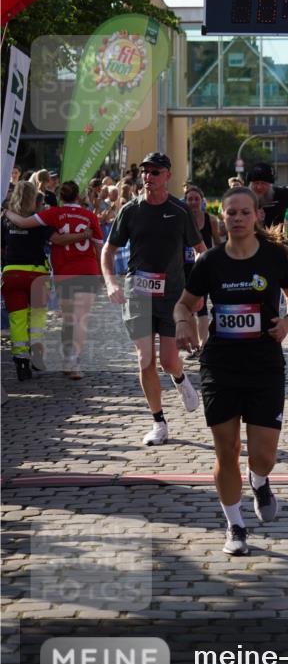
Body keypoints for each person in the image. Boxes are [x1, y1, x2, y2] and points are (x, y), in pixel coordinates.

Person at [174, 186, 288, 556]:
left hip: (264, 365)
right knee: (226, 450)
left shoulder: (276, 257)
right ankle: (235, 525)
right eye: (231, 212)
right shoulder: (210, 262)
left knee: (264, 454)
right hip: (221, 366)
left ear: (257, 216)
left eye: (245, 212)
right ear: (223, 217)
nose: (238, 218)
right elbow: (183, 306)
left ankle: (260, 480)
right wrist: (183, 323)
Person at [101, 152, 207, 446]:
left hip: (172, 294)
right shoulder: (131, 210)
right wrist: (111, 282)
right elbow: (108, 250)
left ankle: (181, 379)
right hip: (138, 292)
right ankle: (159, 422)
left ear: (167, 176)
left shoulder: (180, 210)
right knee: (144, 359)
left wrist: (198, 289)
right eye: (145, 172)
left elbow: (201, 250)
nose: (148, 177)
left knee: (169, 360)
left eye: (155, 172)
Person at [4, 180, 104, 379]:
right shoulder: (90, 216)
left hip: (61, 271)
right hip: (84, 270)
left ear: (60, 196)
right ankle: (71, 362)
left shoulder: (53, 214)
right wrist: (102, 275)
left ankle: (46, 359)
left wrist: (5, 212)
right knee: (79, 319)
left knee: (67, 319)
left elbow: (22, 223)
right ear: (79, 196)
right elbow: (99, 247)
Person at [183, 184, 222, 352]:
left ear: (202, 200)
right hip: (183, 267)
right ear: (185, 201)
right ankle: (194, 344)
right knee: (187, 306)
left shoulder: (210, 220)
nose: (193, 202)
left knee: (202, 304)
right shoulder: (180, 219)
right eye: (190, 199)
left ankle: (204, 343)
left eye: (196, 199)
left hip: (205, 266)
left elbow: (218, 243)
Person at [247, 162, 288, 249]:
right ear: (250, 183)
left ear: (270, 184)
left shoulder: (283, 194)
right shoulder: (243, 197)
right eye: (256, 183)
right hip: (248, 246)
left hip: (276, 246)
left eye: (263, 183)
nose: (259, 187)